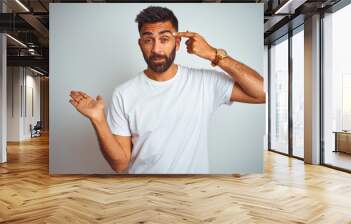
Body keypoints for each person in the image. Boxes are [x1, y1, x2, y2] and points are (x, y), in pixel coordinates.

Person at [69, 6, 265, 174]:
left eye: (164, 39)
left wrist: (213, 54)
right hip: (144, 197)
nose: (156, 49)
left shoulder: (205, 83)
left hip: (193, 195)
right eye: (148, 40)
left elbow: (262, 93)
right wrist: (99, 120)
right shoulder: (124, 93)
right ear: (140, 44)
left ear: (177, 43)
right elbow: (120, 164)